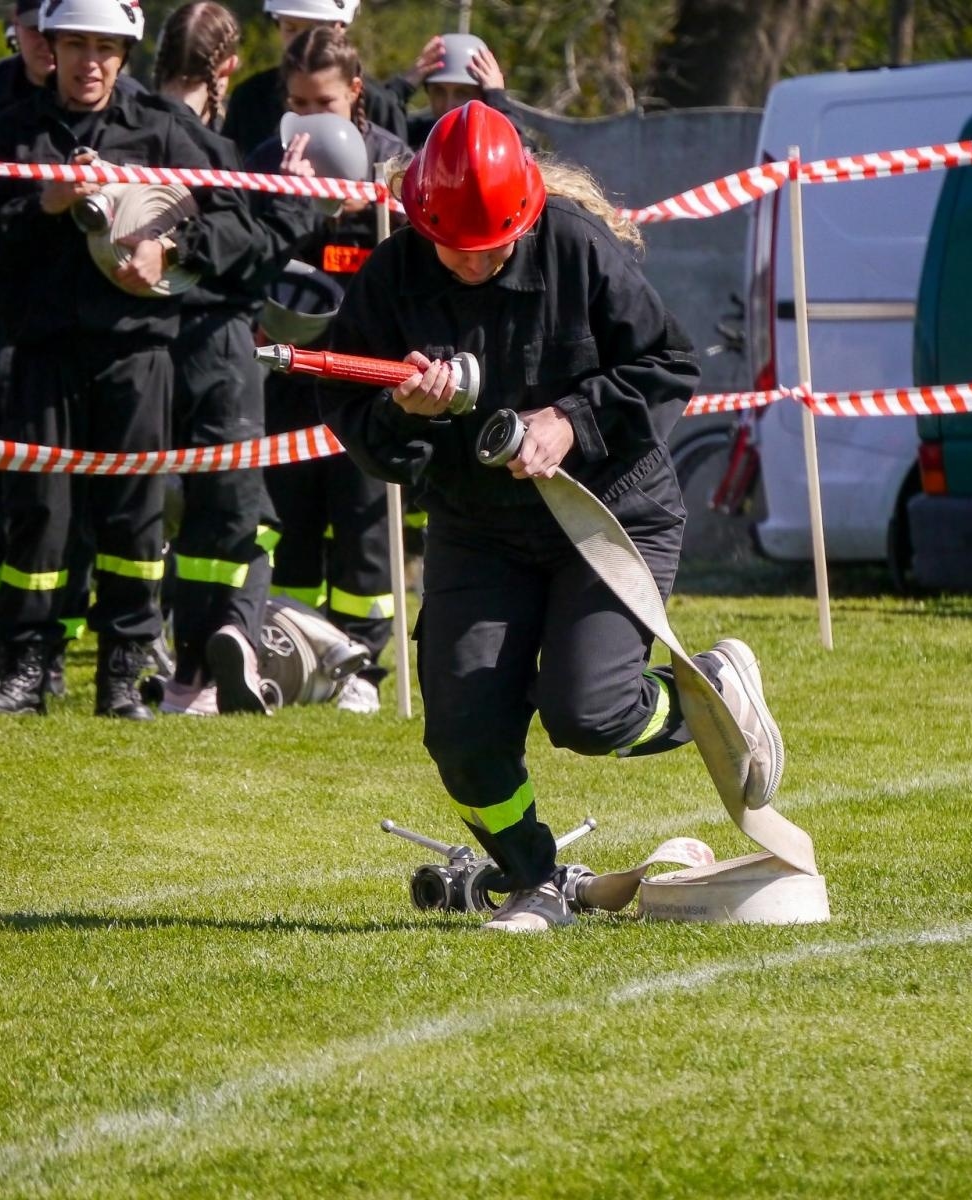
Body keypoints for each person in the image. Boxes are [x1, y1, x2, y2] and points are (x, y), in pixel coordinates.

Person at [314, 101, 785, 931]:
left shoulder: (576, 246)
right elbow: (361, 430)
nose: (465, 262)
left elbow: (669, 365)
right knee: (462, 732)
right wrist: (407, 417)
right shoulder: (393, 276)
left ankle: (704, 693)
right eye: (447, 246)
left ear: (523, 217)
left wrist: (570, 420)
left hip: (608, 514)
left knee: (588, 713)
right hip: (479, 527)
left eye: (485, 247)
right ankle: (539, 879)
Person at [0, 0, 246, 720]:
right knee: (39, 515)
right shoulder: (11, 134)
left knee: (134, 520)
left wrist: (170, 248)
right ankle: (29, 666)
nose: (90, 62)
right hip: (43, 351)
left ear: (126, 56)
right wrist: (45, 204)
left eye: (106, 49)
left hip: (138, 349)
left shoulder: (162, 129)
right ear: (49, 47)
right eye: (76, 45)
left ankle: (122, 674)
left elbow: (243, 219)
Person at [150, 0, 317, 716]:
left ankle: (204, 652)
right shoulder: (204, 150)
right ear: (226, 68)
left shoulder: (122, 125)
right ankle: (217, 649)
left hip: (128, 348)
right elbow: (237, 252)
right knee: (234, 510)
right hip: (212, 345)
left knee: (151, 513)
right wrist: (293, 204)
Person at [248, 28, 407, 715]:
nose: (311, 118)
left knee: (367, 521)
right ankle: (299, 649)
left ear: (357, 96)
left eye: (326, 103)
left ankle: (364, 664)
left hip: (371, 375)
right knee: (292, 517)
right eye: (298, 103)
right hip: (289, 372)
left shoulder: (396, 167)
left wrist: (379, 205)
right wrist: (289, 202)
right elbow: (245, 255)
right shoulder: (267, 161)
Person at [221, 0, 404, 157]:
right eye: (290, 28)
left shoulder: (381, 106)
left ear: (340, 27)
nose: (303, 40)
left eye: (316, 28)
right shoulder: (249, 99)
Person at [390, 32, 521, 149]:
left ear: (483, 97)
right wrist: (402, 86)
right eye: (439, 91)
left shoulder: (491, 146)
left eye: (462, 93)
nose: (448, 105)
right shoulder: (417, 136)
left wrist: (496, 95)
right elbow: (376, 132)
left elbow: (519, 152)